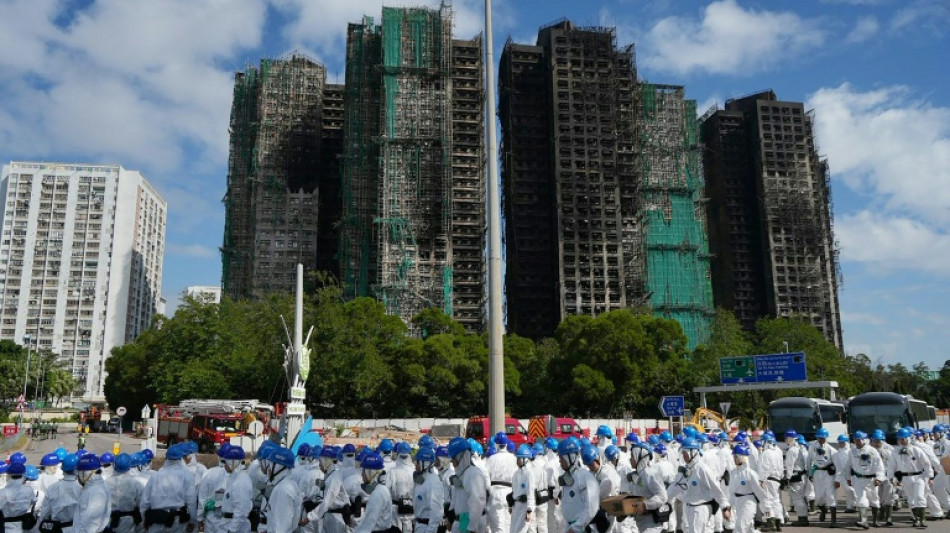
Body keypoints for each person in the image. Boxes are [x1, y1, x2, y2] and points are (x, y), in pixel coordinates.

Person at [667, 437, 729, 533]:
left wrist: (725, 507)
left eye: (685, 453)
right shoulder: (686, 470)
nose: (684, 456)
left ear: (693, 452)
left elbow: (715, 489)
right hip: (689, 508)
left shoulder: (702, 469)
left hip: (700, 509)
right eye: (682, 453)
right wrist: (661, 500)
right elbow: (675, 487)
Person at [140, 443, 198, 533]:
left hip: (157, 521)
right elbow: (191, 502)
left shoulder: (156, 475)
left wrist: (143, 521)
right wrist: (193, 521)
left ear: (166, 458)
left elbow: (145, 502)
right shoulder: (187, 476)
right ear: (180, 458)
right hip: (177, 523)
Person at [836, 430, 884, 530]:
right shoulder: (852, 451)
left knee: (874, 499)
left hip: (871, 479)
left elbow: (879, 465)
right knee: (861, 499)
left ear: (864, 440)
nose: (856, 443)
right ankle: (864, 521)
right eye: (855, 441)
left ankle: (875, 520)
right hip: (858, 479)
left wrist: (879, 478)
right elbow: (848, 465)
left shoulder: (872, 451)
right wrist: (848, 478)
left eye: (858, 441)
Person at [888, 427, 935, 528]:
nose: (900, 441)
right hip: (906, 477)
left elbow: (926, 463)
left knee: (919, 497)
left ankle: (922, 520)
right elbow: (891, 465)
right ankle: (916, 519)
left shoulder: (916, 450)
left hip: (918, 476)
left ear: (908, 438)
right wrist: (891, 477)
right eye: (899, 439)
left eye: (902, 439)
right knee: (911, 499)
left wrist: (930, 477)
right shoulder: (895, 451)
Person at [625, 442, 670, 533]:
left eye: (633, 456)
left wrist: (645, 504)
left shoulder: (651, 474)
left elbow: (662, 496)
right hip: (641, 523)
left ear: (640, 457)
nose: (630, 459)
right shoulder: (636, 475)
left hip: (652, 524)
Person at [556, 439, 598, 533]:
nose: (560, 461)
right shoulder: (568, 477)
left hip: (582, 528)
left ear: (570, 457)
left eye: (561, 458)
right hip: (570, 527)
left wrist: (576, 527)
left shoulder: (584, 477)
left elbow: (591, 508)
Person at [447, 437, 488, 533]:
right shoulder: (461, 474)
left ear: (460, 456)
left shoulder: (473, 474)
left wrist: (472, 527)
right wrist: (451, 518)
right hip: (461, 522)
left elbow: (477, 501)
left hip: (471, 524)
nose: (452, 462)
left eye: (453, 458)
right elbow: (456, 497)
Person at [307, 446, 350, 533]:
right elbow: (321, 497)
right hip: (329, 517)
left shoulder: (334, 478)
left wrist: (309, 517)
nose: (319, 465)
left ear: (326, 462)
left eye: (320, 462)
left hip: (336, 519)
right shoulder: (329, 476)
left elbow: (327, 501)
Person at [258, 447, 301, 533]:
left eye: (271, 464)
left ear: (278, 467)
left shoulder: (282, 490)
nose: (269, 469)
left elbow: (281, 527)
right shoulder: (288, 484)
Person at [350, 453, 395, 533]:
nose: (362, 475)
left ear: (370, 472)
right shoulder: (382, 489)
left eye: (364, 471)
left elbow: (368, 523)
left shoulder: (377, 494)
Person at [728, 444, 768, 533]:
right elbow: (731, 492)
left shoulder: (750, 473)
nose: (734, 459)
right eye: (734, 456)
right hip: (738, 503)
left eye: (736, 456)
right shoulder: (733, 472)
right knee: (749, 529)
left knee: (740, 528)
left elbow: (759, 491)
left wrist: (767, 507)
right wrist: (729, 507)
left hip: (749, 503)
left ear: (742, 457)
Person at [38, 454, 81, 533]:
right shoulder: (82, 488)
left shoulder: (52, 488)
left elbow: (44, 513)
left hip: (56, 528)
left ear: (62, 469)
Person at [484, 433, 516, 533]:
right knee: (509, 524)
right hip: (510, 492)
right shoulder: (514, 458)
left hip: (495, 492)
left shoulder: (491, 459)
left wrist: (487, 491)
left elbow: (486, 478)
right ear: (506, 444)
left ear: (496, 444)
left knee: (498, 526)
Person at [217, 446, 253, 533]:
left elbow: (241, 510)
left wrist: (232, 530)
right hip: (227, 524)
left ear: (232, 462)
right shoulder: (234, 477)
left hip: (233, 527)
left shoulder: (241, 480)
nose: (224, 465)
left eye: (225, 462)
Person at [72, 454, 112, 533]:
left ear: (86, 473)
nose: (78, 476)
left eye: (79, 472)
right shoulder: (92, 487)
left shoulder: (96, 492)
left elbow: (90, 525)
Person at [106, 453, 143, 533]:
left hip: (109, 521)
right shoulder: (136, 484)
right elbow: (141, 504)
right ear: (129, 466)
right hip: (128, 522)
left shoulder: (105, 483)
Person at [807, 427, 837, 525]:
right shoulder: (812, 447)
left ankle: (833, 520)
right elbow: (809, 460)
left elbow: (837, 465)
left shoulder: (831, 450)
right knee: (819, 497)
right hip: (817, 473)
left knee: (830, 494)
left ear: (826, 438)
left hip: (828, 473)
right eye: (819, 438)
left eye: (823, 438)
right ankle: (823, 510)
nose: (821, 440)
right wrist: (810, 473)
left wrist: (837, 478)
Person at [413, 447, 444, 533]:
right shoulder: (422, 479)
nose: (415, 465)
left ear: (425, 463)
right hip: (419, 525)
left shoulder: (433, 481)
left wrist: (430, 530)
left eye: (417, 462)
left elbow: (436, 511)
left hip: (426, 527)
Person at [0, 462, 38, 533]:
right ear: (23, 474)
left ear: (8, 475)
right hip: (24, 526)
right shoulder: (28, 490)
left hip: (7, 527)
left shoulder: (2, 492)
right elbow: (34, 501)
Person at [782, 430, 808, 526]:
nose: (785, 440)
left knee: (797, 498)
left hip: (796, 477)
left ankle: (802, 519)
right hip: (801, 476)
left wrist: (787, 478)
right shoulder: (799, 448)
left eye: (786, 438)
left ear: (789, 438)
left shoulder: (792, 450)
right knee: (801, 498)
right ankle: (803, 517)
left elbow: (789, 466)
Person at [869, 430, 895, 526]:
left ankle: (889, 517)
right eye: (875, 441)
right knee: (877, 496)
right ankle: (881, 511)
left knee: (889, 496)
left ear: (883, 440)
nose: (876, 443)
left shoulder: (889, 449)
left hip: (888, 475)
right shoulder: (870, 449)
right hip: (876, 476)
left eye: (878, 441)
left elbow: (894, 463)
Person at [391, 442, 417, 533]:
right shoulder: (415, 470)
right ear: (410, 454)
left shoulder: (392, 472)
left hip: (396, 508)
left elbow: (387, 490)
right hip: (411, 507)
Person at [509, 446, 535, 533]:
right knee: (513, 530)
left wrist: (529, 510)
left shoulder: (529, 473)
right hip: (516, 505)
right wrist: (510, 505)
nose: (517, 461)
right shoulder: (517, 473)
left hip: (524, 506)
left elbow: (530, 492)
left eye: (519, 458)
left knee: (520, 530)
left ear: (525, 459)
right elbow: (514, 490)